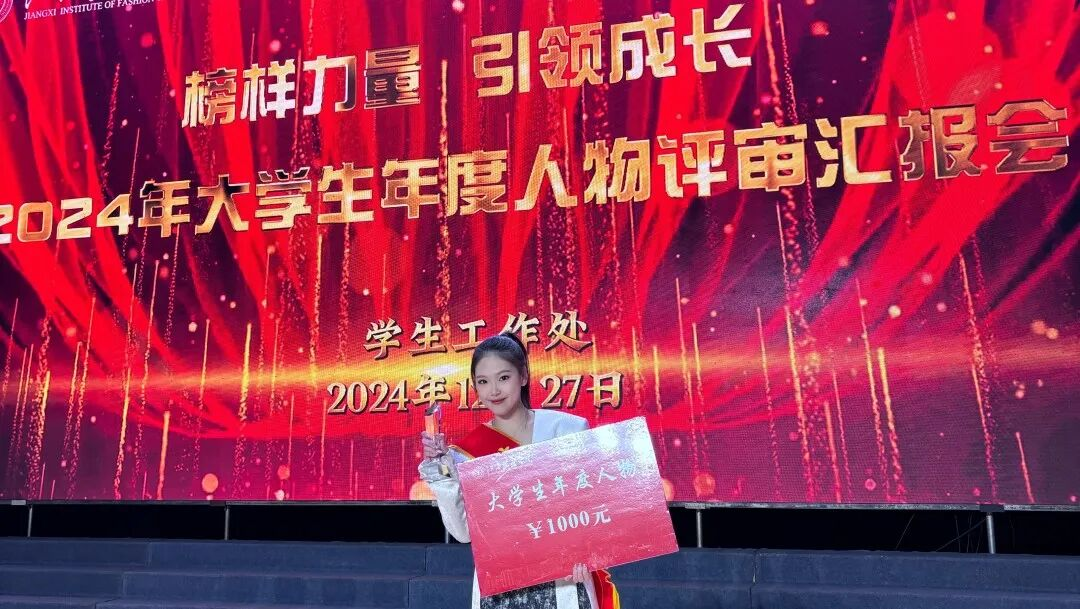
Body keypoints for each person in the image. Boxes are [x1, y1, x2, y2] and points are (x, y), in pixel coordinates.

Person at [419, 332, 620, 609]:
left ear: (523, 376)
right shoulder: (467, 454)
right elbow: (463, 533)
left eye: (503, 378)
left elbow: (595, 507)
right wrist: (442, 472)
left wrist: (587, 551)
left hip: (563, 583)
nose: (494, 391)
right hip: (501, 590)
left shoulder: (567, 430)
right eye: (483, 382)